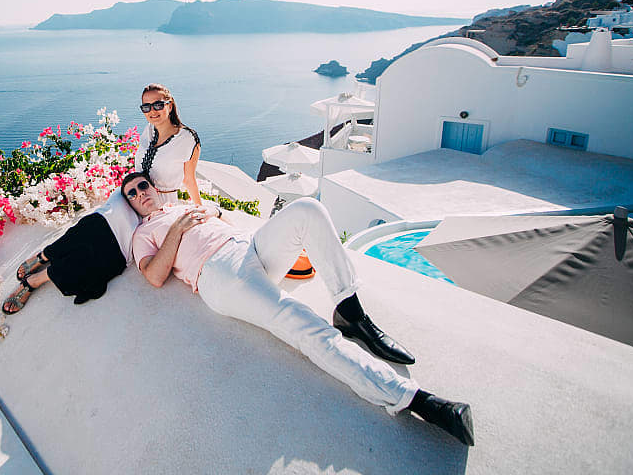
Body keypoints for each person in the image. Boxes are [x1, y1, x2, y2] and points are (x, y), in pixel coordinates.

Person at [122, 171, 475, 446]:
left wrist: (204, 214)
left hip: (249, 247)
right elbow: (154, 276)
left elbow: (219, 219)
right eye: (133, 195)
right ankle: (416, 401)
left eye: (142, 187)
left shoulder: (183, 206)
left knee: (308, 209)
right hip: (219, 272)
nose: (140, 194)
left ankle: (350, 311)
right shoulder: (144, 233)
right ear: (134, 207)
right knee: (303, 324)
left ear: (154, 188)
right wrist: (178, 231)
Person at [2, 188, 140, 313]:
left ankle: (35, 279)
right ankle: (43, 257)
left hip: (125, 243)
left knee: (87, 262)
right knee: (83, 233)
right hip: (109, 216)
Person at [133, 83, 202, 205]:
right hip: (137, 200)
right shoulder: (148, 130)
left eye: (158, 105)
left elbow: (189, 179)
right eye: (146, 107)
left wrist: (200, 207)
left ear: (169, 106)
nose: (152, 111)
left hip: (164, 205)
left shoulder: (187, 138)